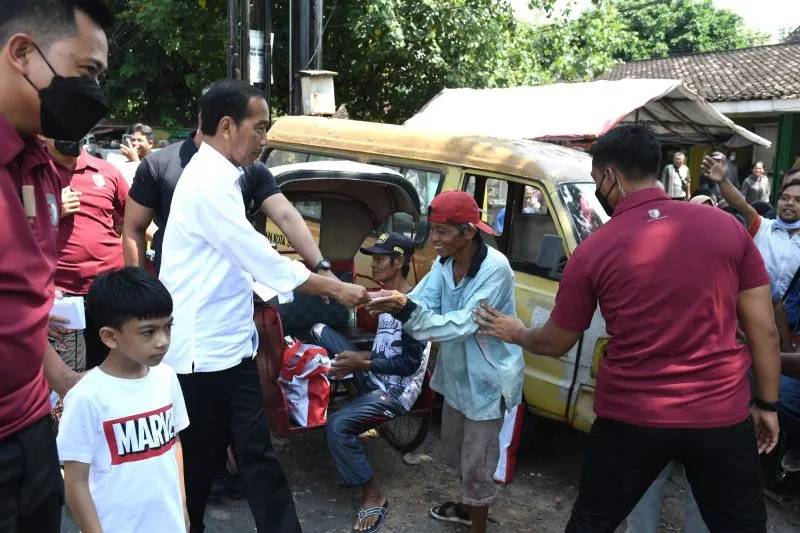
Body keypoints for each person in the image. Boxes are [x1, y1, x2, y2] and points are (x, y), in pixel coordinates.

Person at [474, 124, 780, 532]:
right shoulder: (727, 228)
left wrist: (517, 332)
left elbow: (558, 340)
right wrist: (768, 406)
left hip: (632, 417)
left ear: (608, 177)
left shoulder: (594, 250)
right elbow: (765, 330)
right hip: (720, 414)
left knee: (593, 523)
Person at [159, 79, 369, 533]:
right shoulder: (206, 184)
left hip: (231, 348)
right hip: (200, 357)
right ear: (228, 126)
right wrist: (336, 289)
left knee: (257, 455)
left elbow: (267, 242)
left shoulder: (224, 177)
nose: (265, 139)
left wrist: (325, 275)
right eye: (260, 128)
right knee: (196, 465)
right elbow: (259, 256)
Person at [0, 1, 113, 531]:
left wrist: (62, 378)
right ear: (23, 53)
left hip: (30, 428)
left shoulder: (39, 168)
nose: (94, 92)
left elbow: (20, 299)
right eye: (86, 72)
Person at [366, 191, 524, 533]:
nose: (432, 239)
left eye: (441, 231)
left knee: (478, 464)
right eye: (431, 229)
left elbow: (463, 324)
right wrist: (397, 301)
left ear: (467, 232)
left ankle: (476, 522)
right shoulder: (443, 263)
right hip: (456, 376)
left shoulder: (496, 270)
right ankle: (468, 506)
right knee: (455, 451)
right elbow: (422, 300)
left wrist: (404, 308)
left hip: (487, 379)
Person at [308, 232, 428, 533]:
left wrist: (360, 362)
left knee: (336, 425)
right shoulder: (385, 297)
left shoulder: (414, 305)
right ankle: (353, 389)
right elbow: (383, 348)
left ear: (399, 261)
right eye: (372, 259)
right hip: (372, 376)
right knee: (319, 329)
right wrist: (358, 359)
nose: (373, 265)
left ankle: (374, 494)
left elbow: (408, 363)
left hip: (395, 392)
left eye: (380, 259)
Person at [57, 267, 189, 533]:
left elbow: (174, 442)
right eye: (148, 332)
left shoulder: (167, 377)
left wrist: (182, 507)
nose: (163, 341)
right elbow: (74, 480)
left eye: (168, 327)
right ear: (110, 336)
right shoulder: (87, 396)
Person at [42, 136, 128, 371]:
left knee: (113, 367)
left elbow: (128, 222)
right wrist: (51, 209)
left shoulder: (107, 171)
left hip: (108, 290)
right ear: (42, 134)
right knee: (69, 374)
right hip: (60, 294)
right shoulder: (35, 172)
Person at [706, 162, 800, 303]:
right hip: (752, 312)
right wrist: (723, 181)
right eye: (784, 198)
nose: (789, 203)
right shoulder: (761, 226)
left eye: (798, 200)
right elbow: (740, 203)